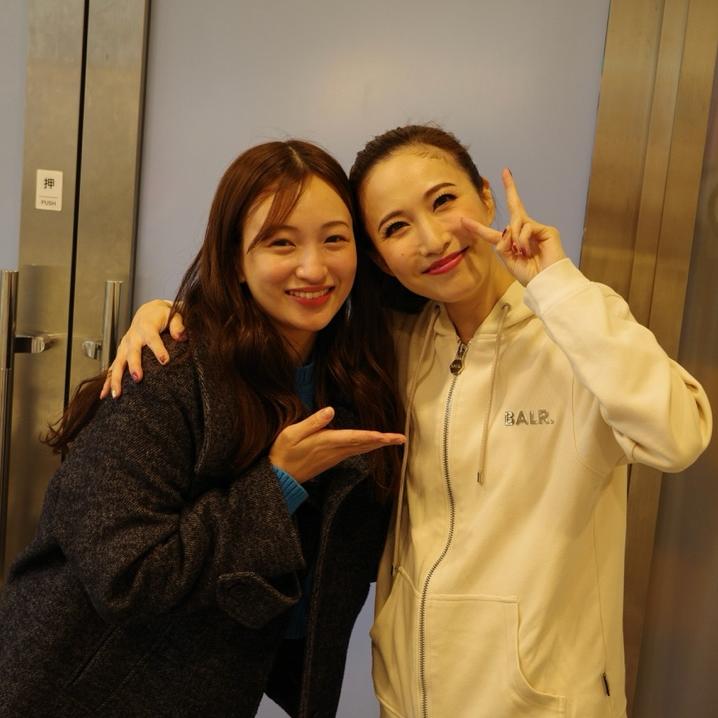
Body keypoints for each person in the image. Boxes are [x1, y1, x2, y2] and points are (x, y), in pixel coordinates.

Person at [107, 125, 712, 718]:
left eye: (443, 201)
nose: (431, 239)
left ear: (485, 196)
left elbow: (677, 437)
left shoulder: (577, 331)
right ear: (379, 258)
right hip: (407, 696)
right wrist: (170, 313)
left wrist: (557, 288)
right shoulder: (392, 346)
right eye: (396, 227)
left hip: (542, 704)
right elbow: (285, 311)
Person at [0, 140, 407, 718]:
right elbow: (127, 574)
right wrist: (278, 483)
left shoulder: (355, 378)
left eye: (335, 239)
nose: (314, 268)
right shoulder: (168, 371)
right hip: (83, 690)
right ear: (235, 259)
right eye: (281, 242)